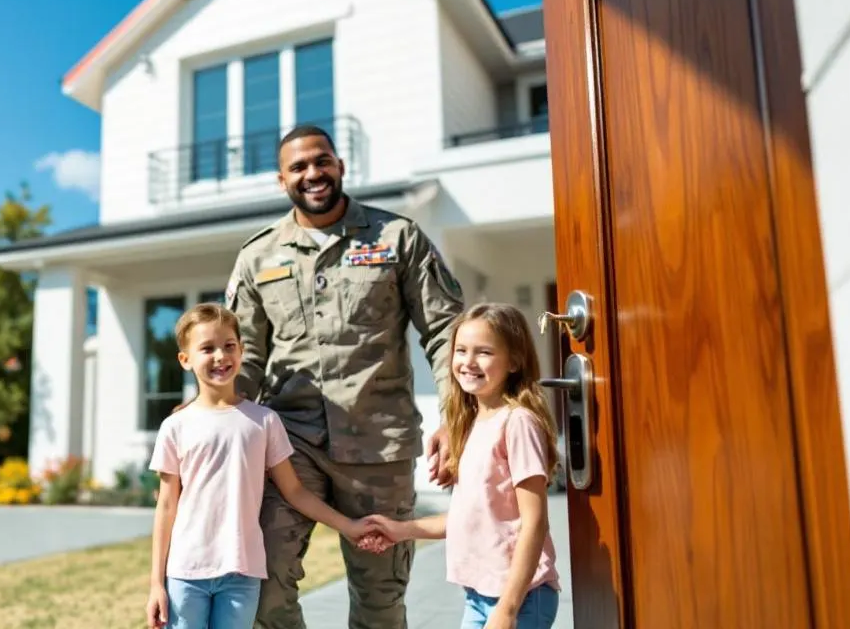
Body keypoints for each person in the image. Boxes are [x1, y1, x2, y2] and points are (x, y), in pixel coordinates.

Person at [223, 124, 465, 627]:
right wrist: (212, 424)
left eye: (321, 161)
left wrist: (458, 418)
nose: (313, 173)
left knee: (380, 604)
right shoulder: (257, 256)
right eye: (299, 166)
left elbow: (447, 332)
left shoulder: (397, 238)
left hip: (380, 448)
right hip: (290, 450)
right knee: (263, 586)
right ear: (281, 179)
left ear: (339, 165)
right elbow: (242, 360)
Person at [146, 303, 383, 629]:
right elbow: (166, 506)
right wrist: (156, 584)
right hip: (186, 573)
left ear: (242, 351)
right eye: (207, 348)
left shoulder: (264, 421)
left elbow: (296, 491)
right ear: (185, 360)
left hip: (242, 572)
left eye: (229, 346)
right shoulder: (176, 426)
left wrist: (348, 526)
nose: (220, 356)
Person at [364, 303, 561, 629]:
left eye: (484, 352)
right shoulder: (470, 425)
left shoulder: (518, 423)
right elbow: (471, 517)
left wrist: (508, 609)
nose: (468, 362)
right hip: (479, 596)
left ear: (514, 361)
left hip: (523, 598)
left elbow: (535, 522)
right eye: (461, 350)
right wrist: (402, 530)